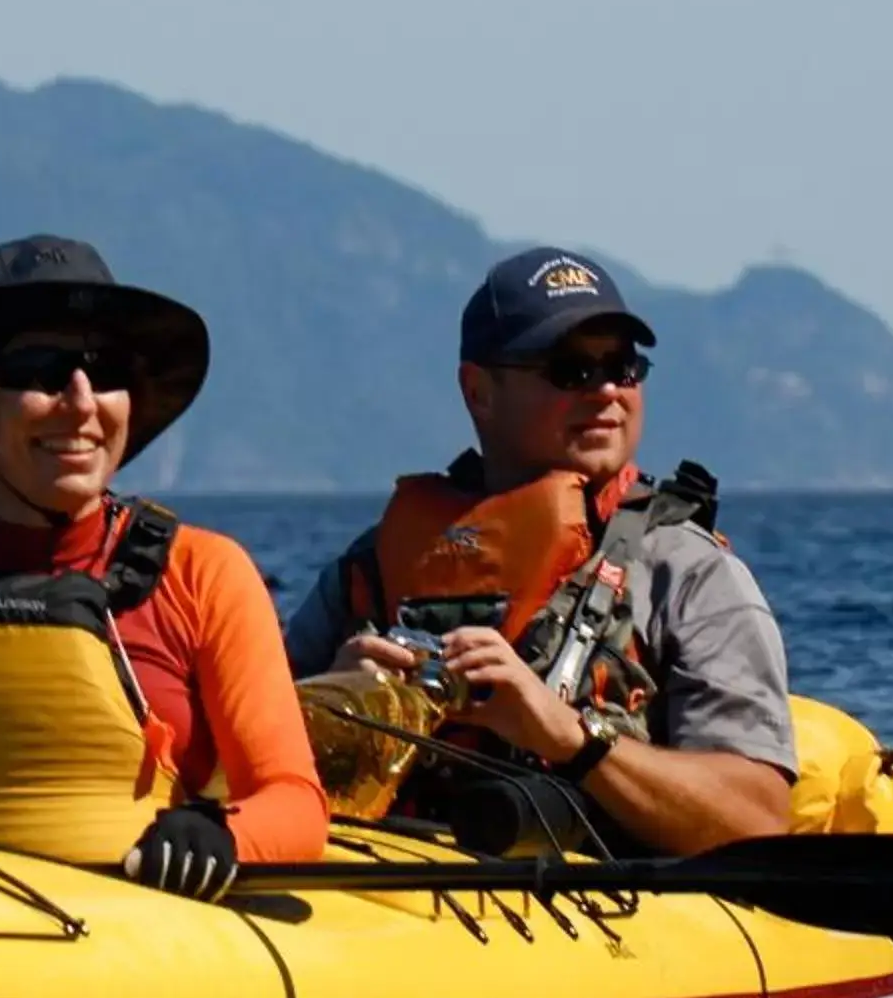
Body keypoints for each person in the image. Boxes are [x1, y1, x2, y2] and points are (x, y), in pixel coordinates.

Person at [0, 236, 329, 899]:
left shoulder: (203, 572)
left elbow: (296, 805)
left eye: (104, 371)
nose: (82, 403)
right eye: (41, 371)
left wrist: (222, 835)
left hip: (151, 944)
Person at [282, 247, 794, 857]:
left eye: (624, 368)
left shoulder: (690, 573)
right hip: (386, 896)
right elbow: (226, 765)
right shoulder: (368, 571)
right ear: (479, 391)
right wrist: (330, 706)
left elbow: (758, 819)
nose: (607, 391)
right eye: (570, 369)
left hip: (607, 912)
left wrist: (571, 739)